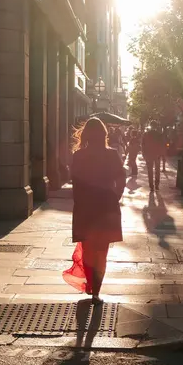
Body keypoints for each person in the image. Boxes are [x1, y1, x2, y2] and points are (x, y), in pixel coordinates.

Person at [65, 117, 126, 304]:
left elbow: (75, 183)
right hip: (107, 206)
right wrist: (116, 195)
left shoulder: (78, 156)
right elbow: (122, 177)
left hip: (85, 207)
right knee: (102, 250)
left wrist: (79, 202)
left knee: (89, 249)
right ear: (104, 134)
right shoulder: (112, 154)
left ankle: (92, 285)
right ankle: (96, 291)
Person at [142, 121, 164, 191]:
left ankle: (151, 186)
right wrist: (161, 154)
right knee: (157, 170)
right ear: (156, 126)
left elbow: (143, 145)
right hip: (157, 155)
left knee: (150, 171)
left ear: (150, 126)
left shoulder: (145, 134)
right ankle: (156, 185)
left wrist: (144, 154)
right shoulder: (159, 135)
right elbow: (161, 146)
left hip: (148, 155)